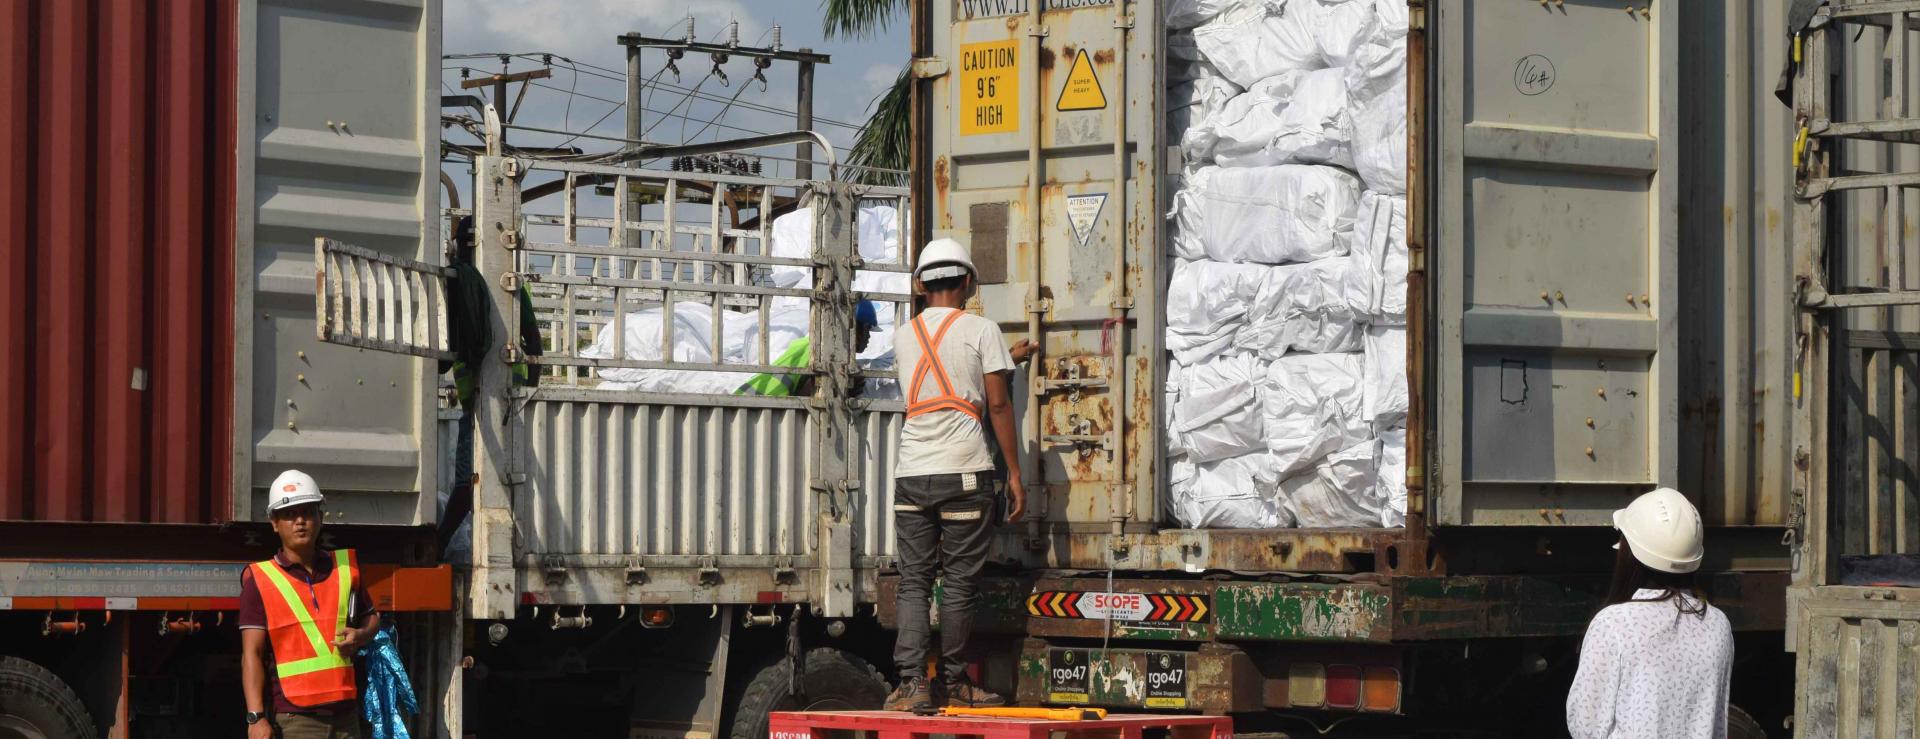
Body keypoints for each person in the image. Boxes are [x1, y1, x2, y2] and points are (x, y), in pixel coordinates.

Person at [883, 238, 1036, 713]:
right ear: (968, 283)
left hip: (911, 475)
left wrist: (998, 355)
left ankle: (910, 685)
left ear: (919, 285)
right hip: (965, 474)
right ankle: (952, 683)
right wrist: (1013, 471)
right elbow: (995, 402)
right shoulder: (982, 329)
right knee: (959, 583)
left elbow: (940, 371)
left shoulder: (903, 335)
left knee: (914, 581)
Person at [1566, 487, 1734, 739]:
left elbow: (1586, 725)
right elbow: (1718, 724)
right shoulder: (1718, 625)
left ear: (1629, 554)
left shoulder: (1614, 624)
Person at [242, 470, 380, 739]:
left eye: (307, 512)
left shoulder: (345, 568)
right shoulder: (260, 579)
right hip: (296, 719)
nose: (300, 521)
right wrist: (255, 718)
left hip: (346, 717)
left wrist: (361, 636)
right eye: (290, 514)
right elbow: (252, 655)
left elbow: (372, 618)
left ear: (320, 517)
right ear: (274, 523)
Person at [736, 299, 882, 397]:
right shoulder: (824, 352)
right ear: (853, 326)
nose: (868, 336)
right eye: (867, 329)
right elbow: (808, 399)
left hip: (751, 405)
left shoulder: (813, 345)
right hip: (756, 411)